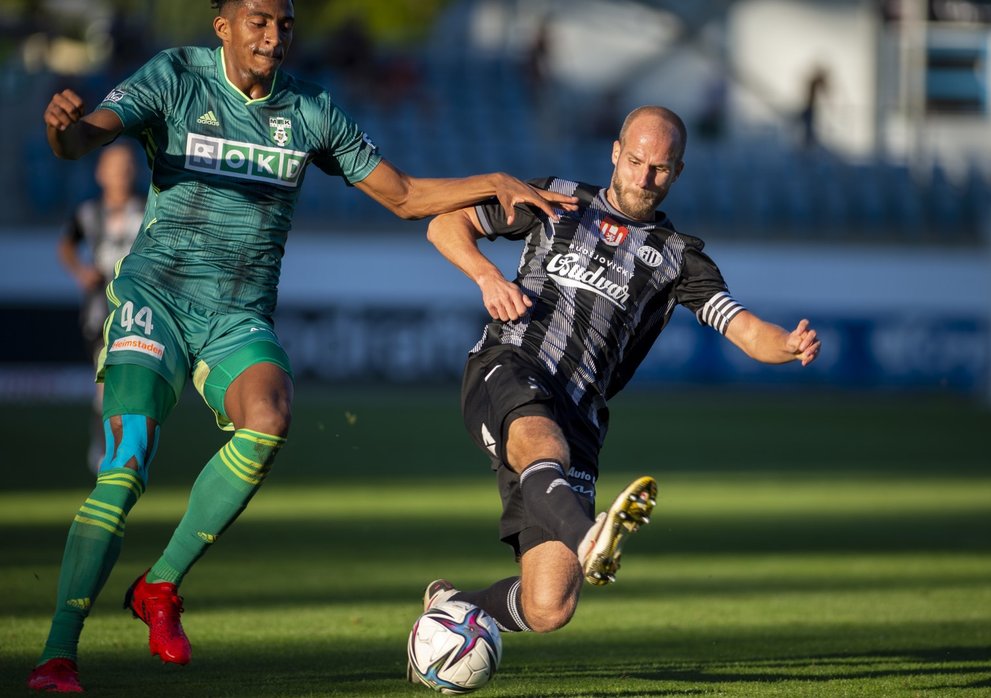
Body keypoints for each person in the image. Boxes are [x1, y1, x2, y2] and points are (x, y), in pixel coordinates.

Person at [29, 0, 576, 693]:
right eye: (257, 20)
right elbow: (84, 140)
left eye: (284, 23)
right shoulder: (175, 76)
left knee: (270, 417)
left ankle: (159, 585)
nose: (273, 34)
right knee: (127, 464)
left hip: (239, 316)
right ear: (222, 25)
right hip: (156, 300)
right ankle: (57, 654)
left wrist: (492, 181)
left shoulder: (311, 110)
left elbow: (404, 195)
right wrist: (63, 131)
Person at [417, 106, 820, 651]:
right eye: (635, 161)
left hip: (580, 411)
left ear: (678, 172)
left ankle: (453, 610)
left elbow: (744, 328)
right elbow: (445, 224)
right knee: (542, 441)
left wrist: (787, 344)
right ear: (615, 152)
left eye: (659, 168)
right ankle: (590, 536)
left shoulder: (679, 259)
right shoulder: (555, 199)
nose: (644, 177)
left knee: (548, 606)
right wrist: (487, 276)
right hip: (512, 364)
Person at [56, 141, 145, 473]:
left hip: (139, 313)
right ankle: (105, 448)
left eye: (127, 166)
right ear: (101, 173)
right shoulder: (88, 213)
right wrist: (81, 271)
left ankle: (127, 450)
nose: (122, 173)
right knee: (105, 388)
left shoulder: (149, 209)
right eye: (115, 166)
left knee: (133, 386)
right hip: (101, 313)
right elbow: (65, 245)